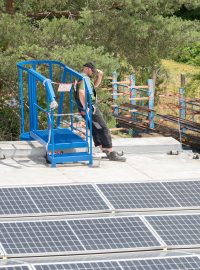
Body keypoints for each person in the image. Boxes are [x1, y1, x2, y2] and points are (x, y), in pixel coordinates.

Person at [75, 62, 126, 162]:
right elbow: (81, 93)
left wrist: (100, 76)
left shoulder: (82, 77)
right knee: (103, 128)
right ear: (88, 69)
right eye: (92, 71)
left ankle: (105, 151)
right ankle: (111, 153)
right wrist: (86, 107)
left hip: (86, 108)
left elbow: (94, 87)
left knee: (96, 128)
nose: (93, 73)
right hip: (90, 107)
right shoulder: (83, 78)